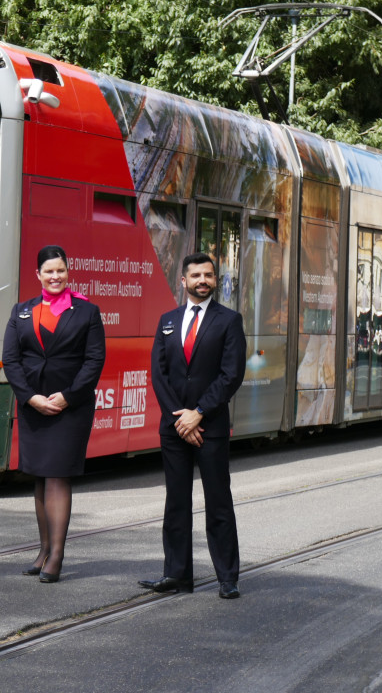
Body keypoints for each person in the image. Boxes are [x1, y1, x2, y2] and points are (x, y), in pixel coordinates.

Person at [140, 252, 247, 599]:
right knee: (176, 503)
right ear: (182, 281)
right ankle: (177, 575)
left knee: (218, 502)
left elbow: (231, 375)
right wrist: (180, 417)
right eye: (196, 275)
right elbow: (159, 374)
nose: (203, 280)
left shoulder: (229, 321)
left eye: (209, 275)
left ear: (215, 281)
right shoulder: (167, 321)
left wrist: (198, 412)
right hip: (175, 430)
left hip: (210, 427)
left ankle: (227, 577)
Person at [2, 245, 106, 583]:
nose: (55, 276)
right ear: (38, 275)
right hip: (33, 406)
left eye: (60, 270)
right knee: (40, 475)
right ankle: (44, 549)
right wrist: (30, 397)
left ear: (68, 271)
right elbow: (11, 360)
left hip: (70, 409)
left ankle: (57, 555)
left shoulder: (87, 312)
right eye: (49, 271)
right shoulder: (21, 311)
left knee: (58, 475)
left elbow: (94, 361)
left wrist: (68, 397)